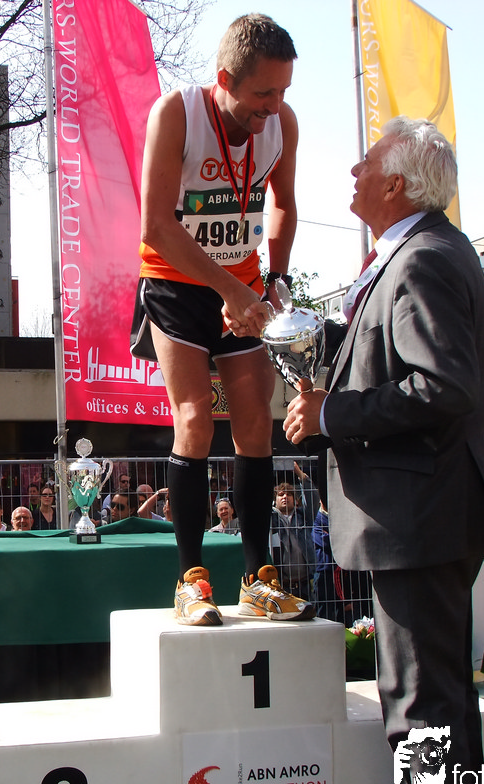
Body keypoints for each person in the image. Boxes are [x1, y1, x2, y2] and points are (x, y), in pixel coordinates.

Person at [282, 116, 484, 784]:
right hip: (429, 509)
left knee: (421, 701)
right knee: (442, 692)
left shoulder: (422, 259)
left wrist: (333, 414)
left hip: (418, 515)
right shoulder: (425, 251)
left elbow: (443, 386)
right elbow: (396, 357)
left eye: (367, 161)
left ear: (399, 183)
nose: (353, 169)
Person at [131, 13, 310, 626]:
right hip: (176, 282)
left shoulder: (282, 123)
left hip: (245, 283)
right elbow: (156, 225)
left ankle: (257, 578)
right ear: (226, 78)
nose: (274, 106)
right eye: (263, 93)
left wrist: (276, 278)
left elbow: (284, 203)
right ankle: (190, 579)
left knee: (256, 422)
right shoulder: (176, 114)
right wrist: (230, 288)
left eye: (283, 91)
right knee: (194, 420)